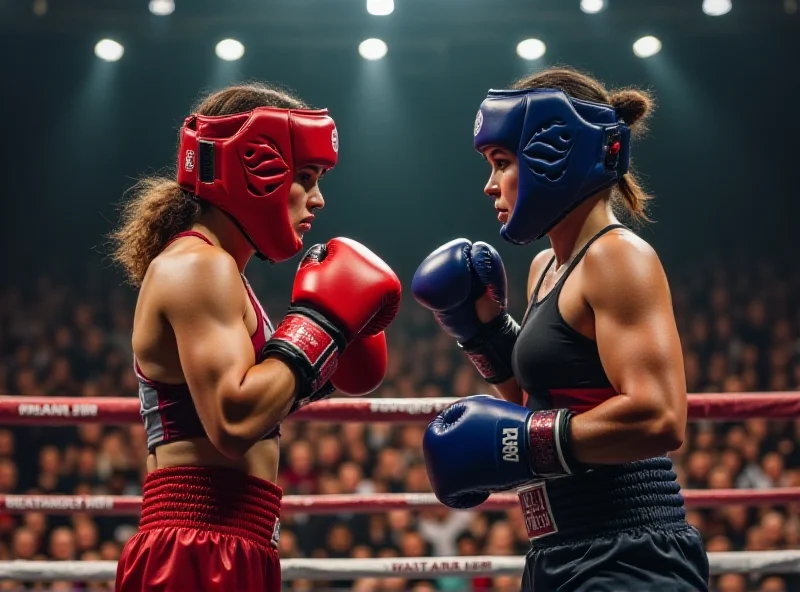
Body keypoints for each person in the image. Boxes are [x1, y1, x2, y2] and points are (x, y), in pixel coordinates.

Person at [413, 68, 709, 591]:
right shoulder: (546, 267)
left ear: (555, 156)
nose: (489, 185)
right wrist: (481, 332)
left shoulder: (619, 258)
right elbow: (539, 399)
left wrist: (527, 443)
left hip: (628, 550)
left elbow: (662, 416)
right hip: (558, 548)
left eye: (501, 163)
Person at [110, 83, 402, 591]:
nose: (318, 198)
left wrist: (323, 363)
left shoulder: (222, 272)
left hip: (236, 537)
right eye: (305, 178)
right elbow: (233, 420)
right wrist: (323, 326)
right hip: (197, 542)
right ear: (255, 174)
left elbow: (250, 403)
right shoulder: (199, 266)